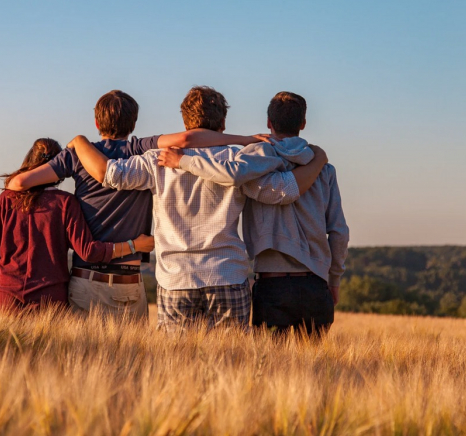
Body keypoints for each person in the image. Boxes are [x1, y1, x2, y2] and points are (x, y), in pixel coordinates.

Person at [67, 86, 328, 331]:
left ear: (185, 123)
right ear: (223, 124)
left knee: (177, 367)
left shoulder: (156, 160)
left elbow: (110, 174)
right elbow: (283, 191)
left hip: (176, 279)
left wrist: (79, 142)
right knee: (231, 365)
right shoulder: (238, 160)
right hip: (227, 275)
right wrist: (318, 160)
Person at [6, 90, 272, 320]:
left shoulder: (77, 155)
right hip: (130, 281)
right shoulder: (140, 149)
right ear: (133, 123)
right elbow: (186, 140)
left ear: (97, 123)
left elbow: (18, 184)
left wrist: (75, 147)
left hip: (86, 279)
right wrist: (245, 139)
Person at [159, 91, 349, 337]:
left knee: (269, 369)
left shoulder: (252, 161)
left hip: (272, 285)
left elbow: (231, 174)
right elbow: (339, 231)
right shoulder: (324, 169)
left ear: (269, 122)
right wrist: (334, 280)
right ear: (303, 124)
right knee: (313, 370)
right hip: (316, 284)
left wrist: (183, 161)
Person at [0, 137, 154, 314]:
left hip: (5, 301)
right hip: (49, 305)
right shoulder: (65, 203)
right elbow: (89, 251)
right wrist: (134, 245)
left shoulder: (7, 198)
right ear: (59, 167)